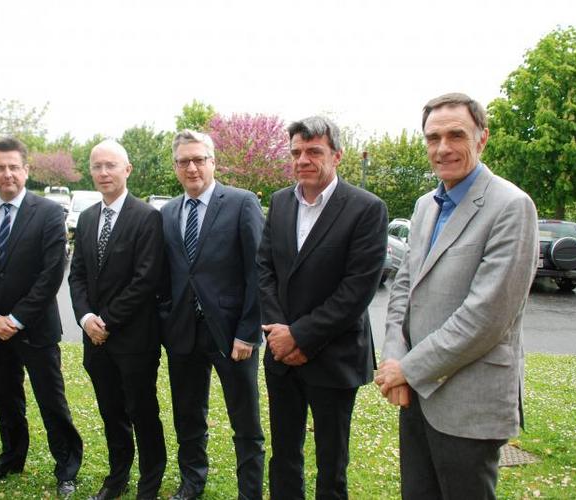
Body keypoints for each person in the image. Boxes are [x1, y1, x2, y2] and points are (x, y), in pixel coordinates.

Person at [375, 93, 539, 500]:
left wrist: (407, 369)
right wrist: (394, 358)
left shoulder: (511, 206)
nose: (443, 147)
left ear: (481, 139)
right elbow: (403, 291)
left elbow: (486, 318)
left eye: (456, 135)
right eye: (433, 138)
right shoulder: (425, 205)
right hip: (415, 396)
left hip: (470, 403)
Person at [257, 116, 388, 499]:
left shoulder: (366, 209)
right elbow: (265, 269)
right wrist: (279, 333)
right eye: (296, 152)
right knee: (283, 455)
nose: (303, 160)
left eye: (314, 151)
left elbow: (357, 289)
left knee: (332, 462)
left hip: (334, 356)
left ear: (337, 155)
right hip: (281, 356)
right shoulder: (281, 202)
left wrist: (299, 336)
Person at [0, 137, 82, 497]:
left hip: (35, 329)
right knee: (6, 398)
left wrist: (15, 319)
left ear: (26, 170)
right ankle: (11, 458)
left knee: (51, 400)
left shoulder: (47, 212)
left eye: (14, 166)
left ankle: (66, 469)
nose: (7, 174)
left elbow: (51, 273)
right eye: (0, 167)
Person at [158, 129, 265, 500]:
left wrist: (248, 332)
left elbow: (258, 272)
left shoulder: (241, 203)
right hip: (184, 334)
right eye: (184, 161)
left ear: (212, 162)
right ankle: (191, 483)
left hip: (233, 335)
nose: (192, 167)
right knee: (187, 416)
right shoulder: (169, 211)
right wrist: (166, 319)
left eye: (199, 159)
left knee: (245, 421)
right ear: (175, 167)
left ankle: (250, 492)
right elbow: (167, 273)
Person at [68, 140, 166, 500]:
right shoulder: (88, 217)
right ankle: (117, 477)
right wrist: (85, 318)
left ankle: (150, 482)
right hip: (95, 340)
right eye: (97, 166)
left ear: (127, 170)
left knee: (143, 413)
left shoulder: (147, 217)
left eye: (111, 165)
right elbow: (76, 274)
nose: (104, 172)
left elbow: (146, 280)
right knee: (111, 414)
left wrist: (106, 321)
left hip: (134, 340)